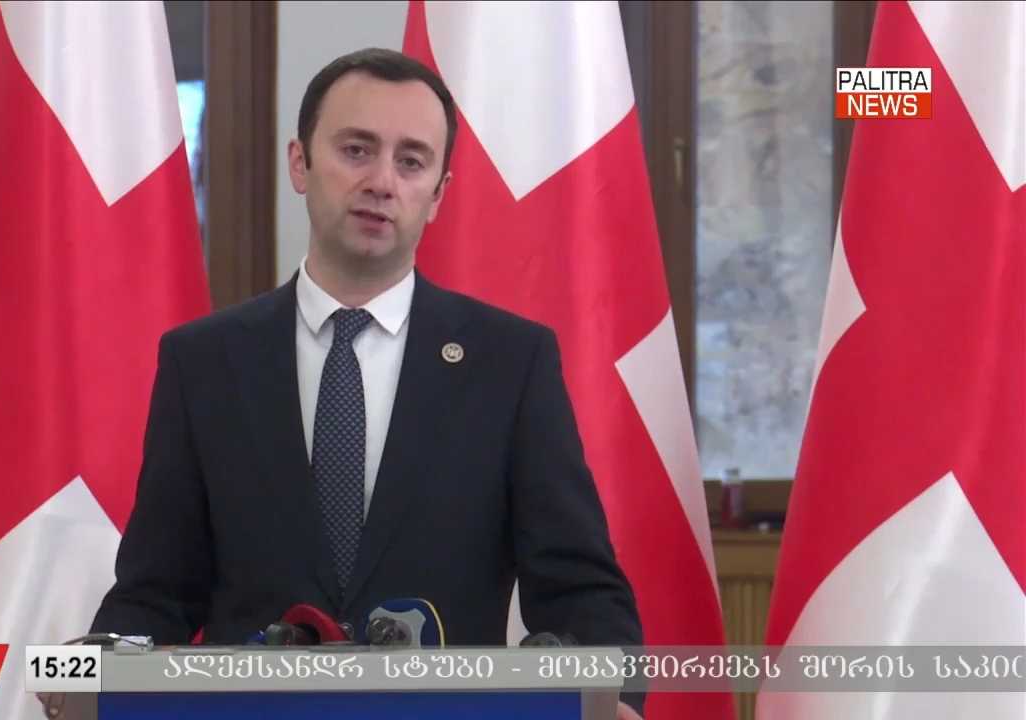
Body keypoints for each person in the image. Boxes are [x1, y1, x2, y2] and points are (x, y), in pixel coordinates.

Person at [46, 48, 644, 719]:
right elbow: (157, 592)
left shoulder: (510, 362)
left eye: (411, 161)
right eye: (357, 150)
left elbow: (579, 589)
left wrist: (613, 700)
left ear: (438, 194)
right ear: (300, 163)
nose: (382, 181)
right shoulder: (204, 362)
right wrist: (87, 680)